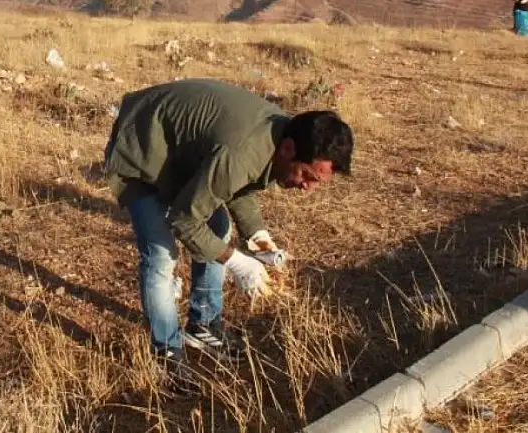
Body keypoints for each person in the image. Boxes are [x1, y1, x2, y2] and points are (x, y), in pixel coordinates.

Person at [103, 79, 353, 390]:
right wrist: (238, 262)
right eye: (308, 176)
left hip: (179, 153)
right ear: (289, 150)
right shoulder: (244, 150)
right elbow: (186, 218)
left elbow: (232, 183)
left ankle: (203, 325)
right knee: (161, 256)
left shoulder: (281, 137)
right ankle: (166, 354)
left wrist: (256, 236)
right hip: (140, 146)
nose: (308, 188)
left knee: (218, 227)